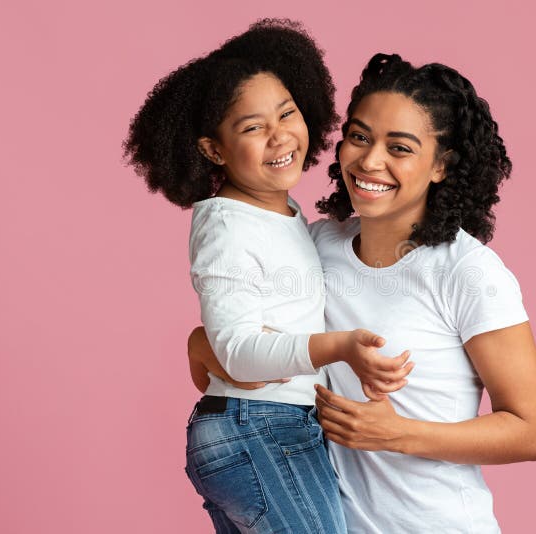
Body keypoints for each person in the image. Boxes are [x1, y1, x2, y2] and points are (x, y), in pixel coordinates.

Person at [192, 52, 536, 533]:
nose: (370, 160)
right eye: (359, 137)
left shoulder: (468, 272)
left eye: (399, 148)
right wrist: (201, 343)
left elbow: (530, 431)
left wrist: (398, 434)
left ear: (441, 165)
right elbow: (248, 345)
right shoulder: (317, 245)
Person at [124, 21, 413, 533]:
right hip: (259, 429)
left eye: (287, 113)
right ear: (214, 150)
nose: (280, 136)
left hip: (263, 428)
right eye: (252, 127)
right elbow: (238, 353)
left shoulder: (283, 215)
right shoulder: (227, 225)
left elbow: (223, 345)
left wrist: (199, 343)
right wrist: (340, 346)